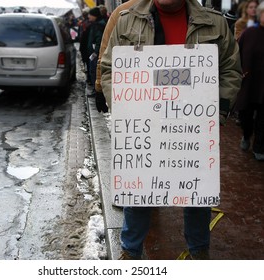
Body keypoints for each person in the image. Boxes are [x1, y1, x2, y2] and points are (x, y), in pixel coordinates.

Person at [101, 0, 242, 260]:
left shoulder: (216, 22)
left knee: (197, 192)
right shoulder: (126, 20)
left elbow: (230, 70)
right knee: (139, 190)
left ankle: (199, 252)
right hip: (143, 125)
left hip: (193, 126)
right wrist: (124, 106)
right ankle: (130, 252)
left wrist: (216, 113)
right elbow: (109, 69)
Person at [95, 0, 139, 113]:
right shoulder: (122, 13)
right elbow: (106, 57)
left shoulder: (191, 12)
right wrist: (100, 87)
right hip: (136, 105)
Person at [235, 1, 264, 161]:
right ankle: (246, 135)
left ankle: (259, 147)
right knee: (246, 115)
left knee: (262, 119)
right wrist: (239, 71)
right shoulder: (249, 33)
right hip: (250, 82)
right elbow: (237, 53)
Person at [87, 7, 106, 96]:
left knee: (94, 71)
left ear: (94, 15)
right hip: (95, 52)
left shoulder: (98, 25)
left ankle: (97, 92)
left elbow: (99, 40)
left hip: (96, 54)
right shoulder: (97, 24)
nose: (88, 16)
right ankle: (96, 91)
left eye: (90, 15)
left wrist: (95, 52)